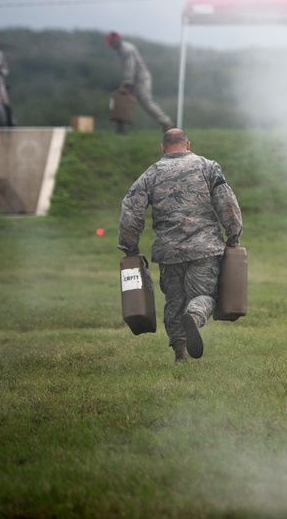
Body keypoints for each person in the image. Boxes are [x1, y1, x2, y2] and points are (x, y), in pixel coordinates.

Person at [117, 128, 242, 363]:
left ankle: (179, 356)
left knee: (174, 301)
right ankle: (194, 316)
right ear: (188, 144)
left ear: (163, 147)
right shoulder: (207, 167)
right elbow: (227, 203)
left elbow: (131, 211)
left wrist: (129, 247)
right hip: (204, 248)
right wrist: (233, 235)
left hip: (168, 251)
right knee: (204, 295)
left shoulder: (151, 174)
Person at [106, 31, 174, 131]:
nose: (110, 46)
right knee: (120, 101)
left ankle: (167, 123)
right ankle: (120, 127)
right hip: (133, 80)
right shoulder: (122, 50)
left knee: (146, 103)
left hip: (141, 80)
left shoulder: (127, 50)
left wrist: (126, 84)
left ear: (116, 41)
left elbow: (130, 67)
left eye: (111, 43)